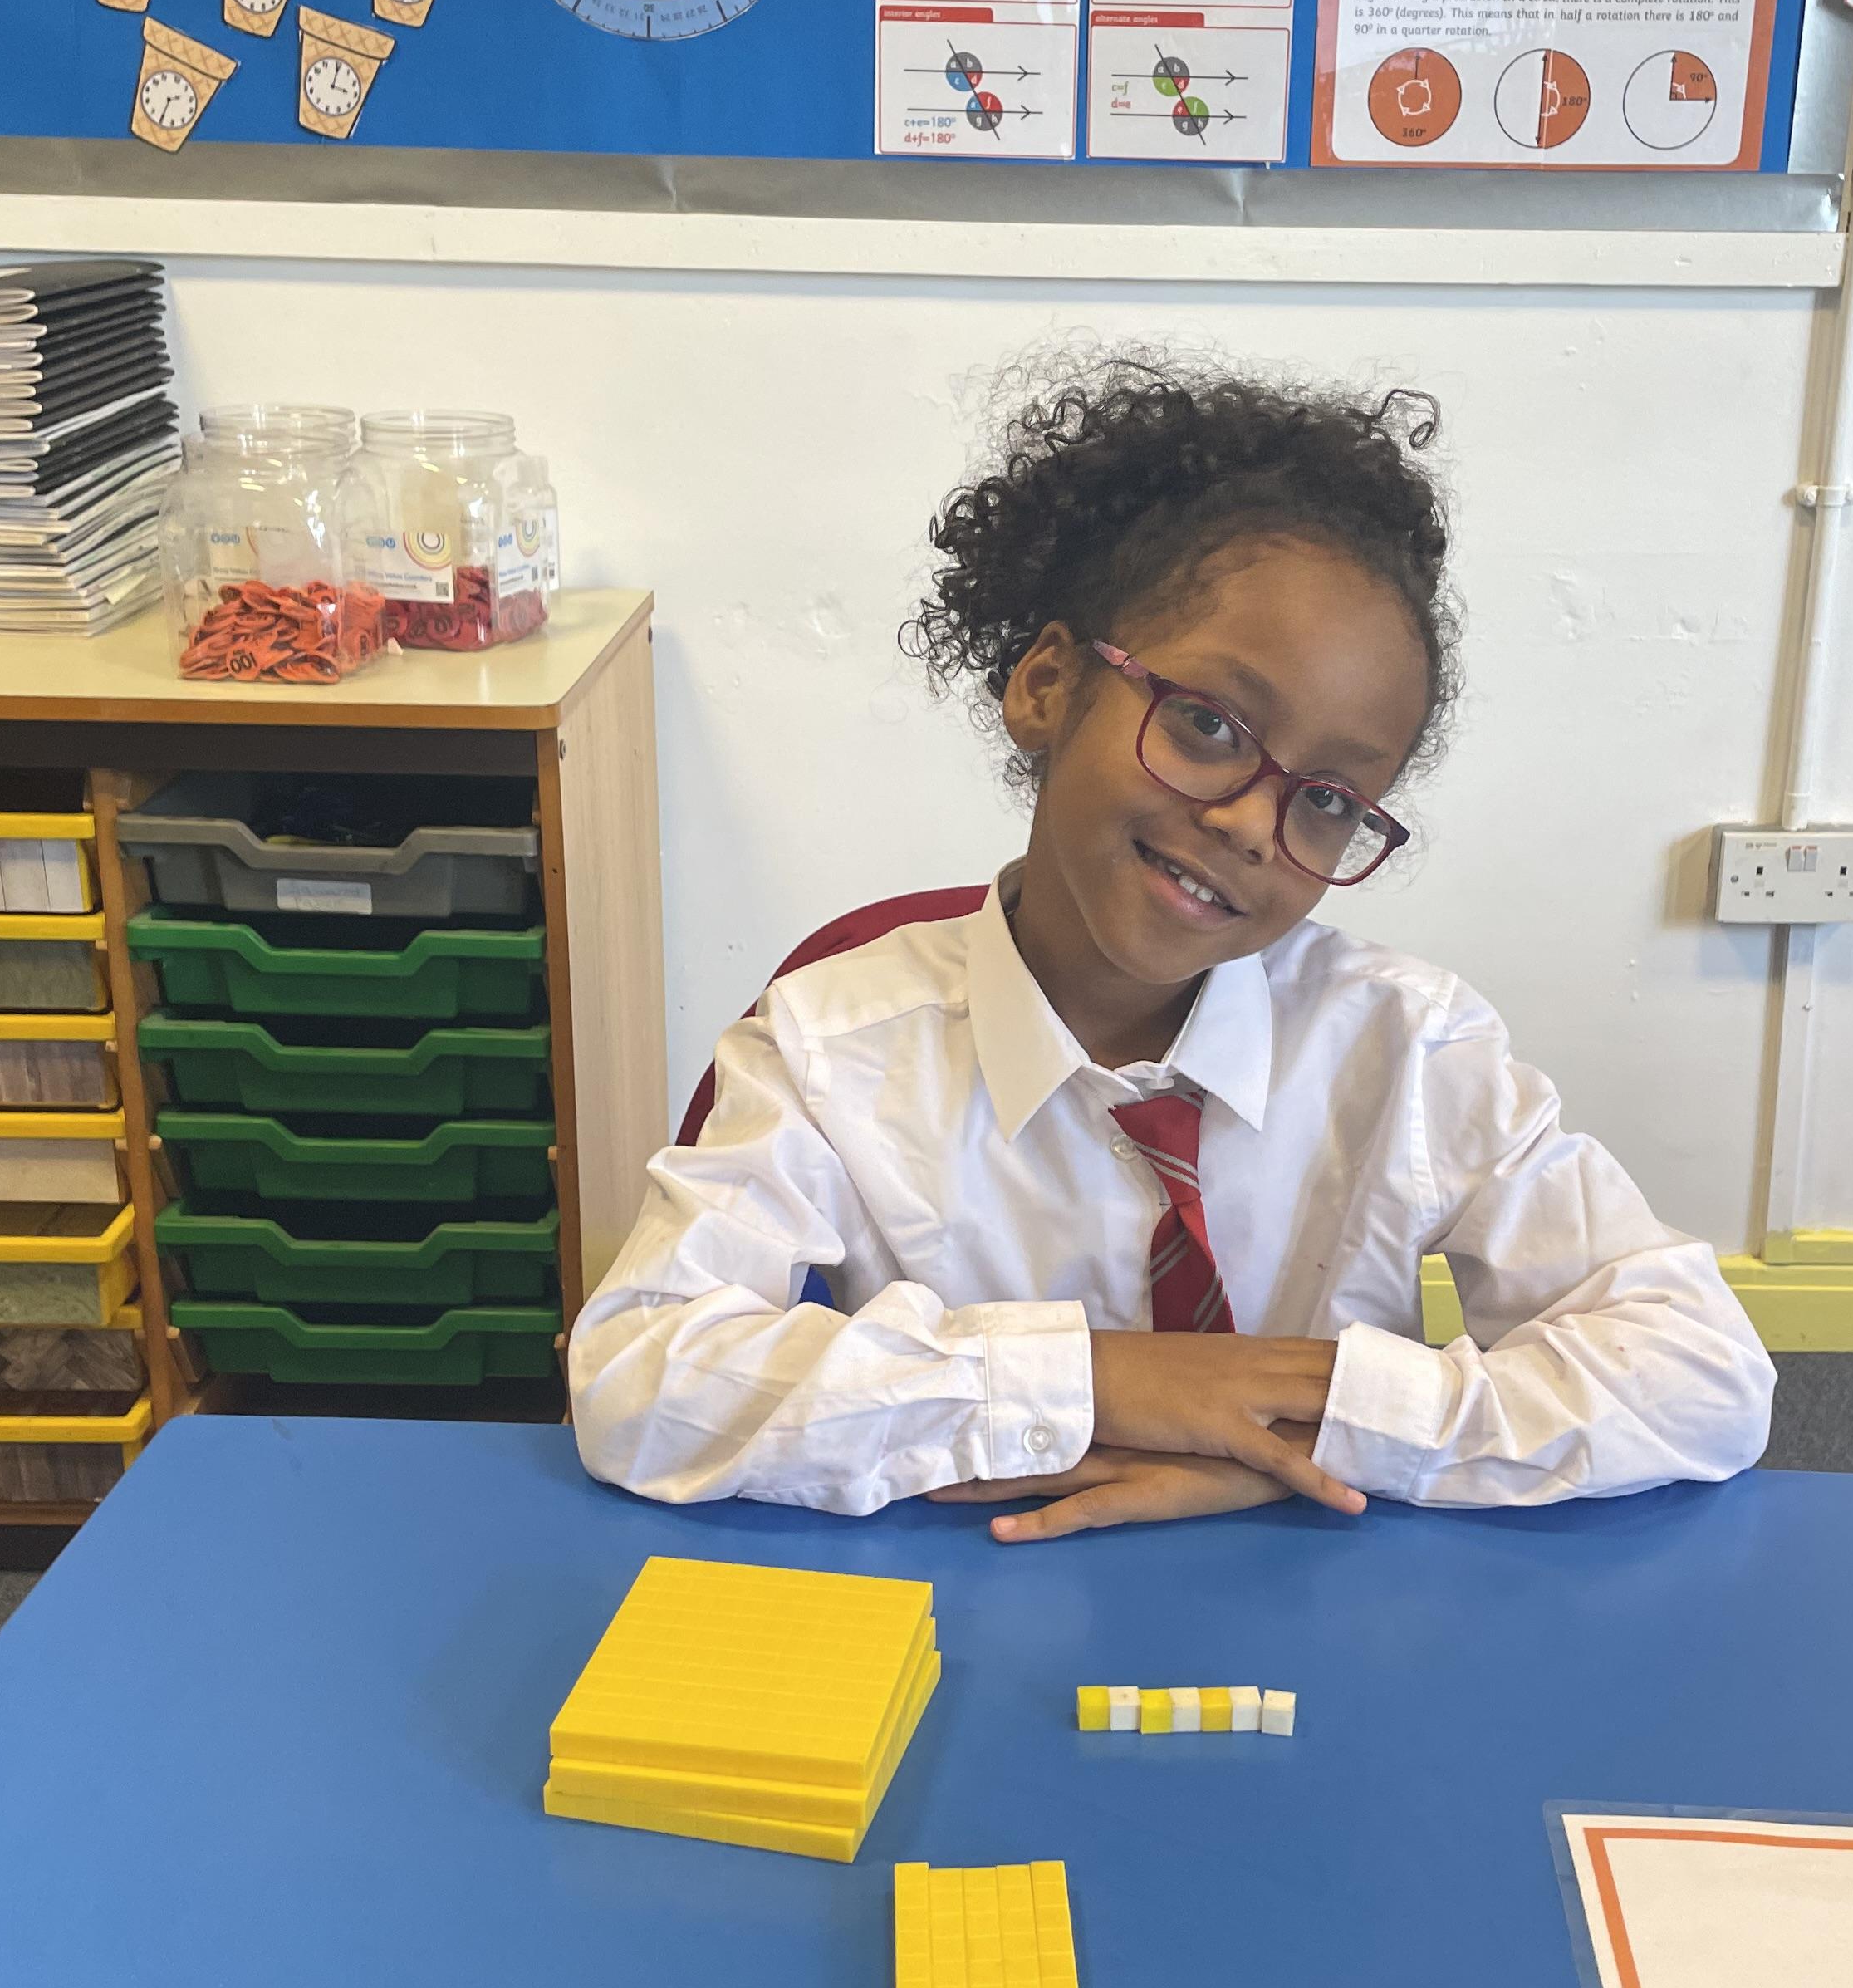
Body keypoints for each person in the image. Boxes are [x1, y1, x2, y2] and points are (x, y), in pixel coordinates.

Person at [569, 363, 1776, 1537]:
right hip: (978, 1598)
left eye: (1329, 801)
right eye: (1208, 724)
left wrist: (1299, 1429)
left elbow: (1703, 1372)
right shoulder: (829, 1051)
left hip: (1320, 1588)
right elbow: (636, 1377)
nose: (1252, 822)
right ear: (1048, 686)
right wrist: (1096, 1382)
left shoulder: (1409, 1048)